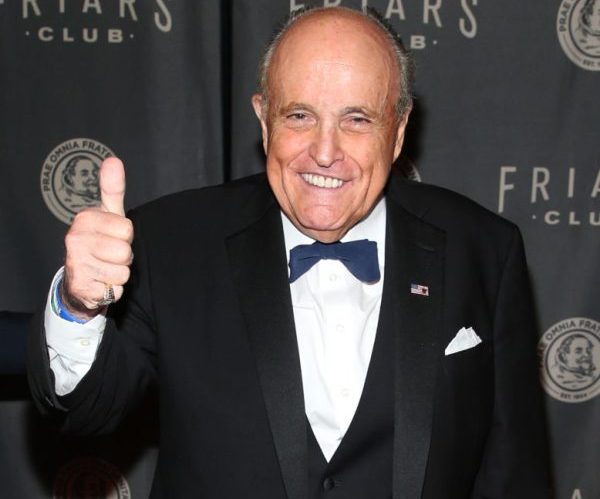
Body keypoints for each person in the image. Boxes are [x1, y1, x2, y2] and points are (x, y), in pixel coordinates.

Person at [29, 6, 552, 498]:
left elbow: (514, 476)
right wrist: (78, 307)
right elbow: (83, 410)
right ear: (264, 120)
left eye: (357, 119)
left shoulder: (483, 250)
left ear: (398, 131)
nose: (324, 151)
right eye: (299, 115)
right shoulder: (166, 243)